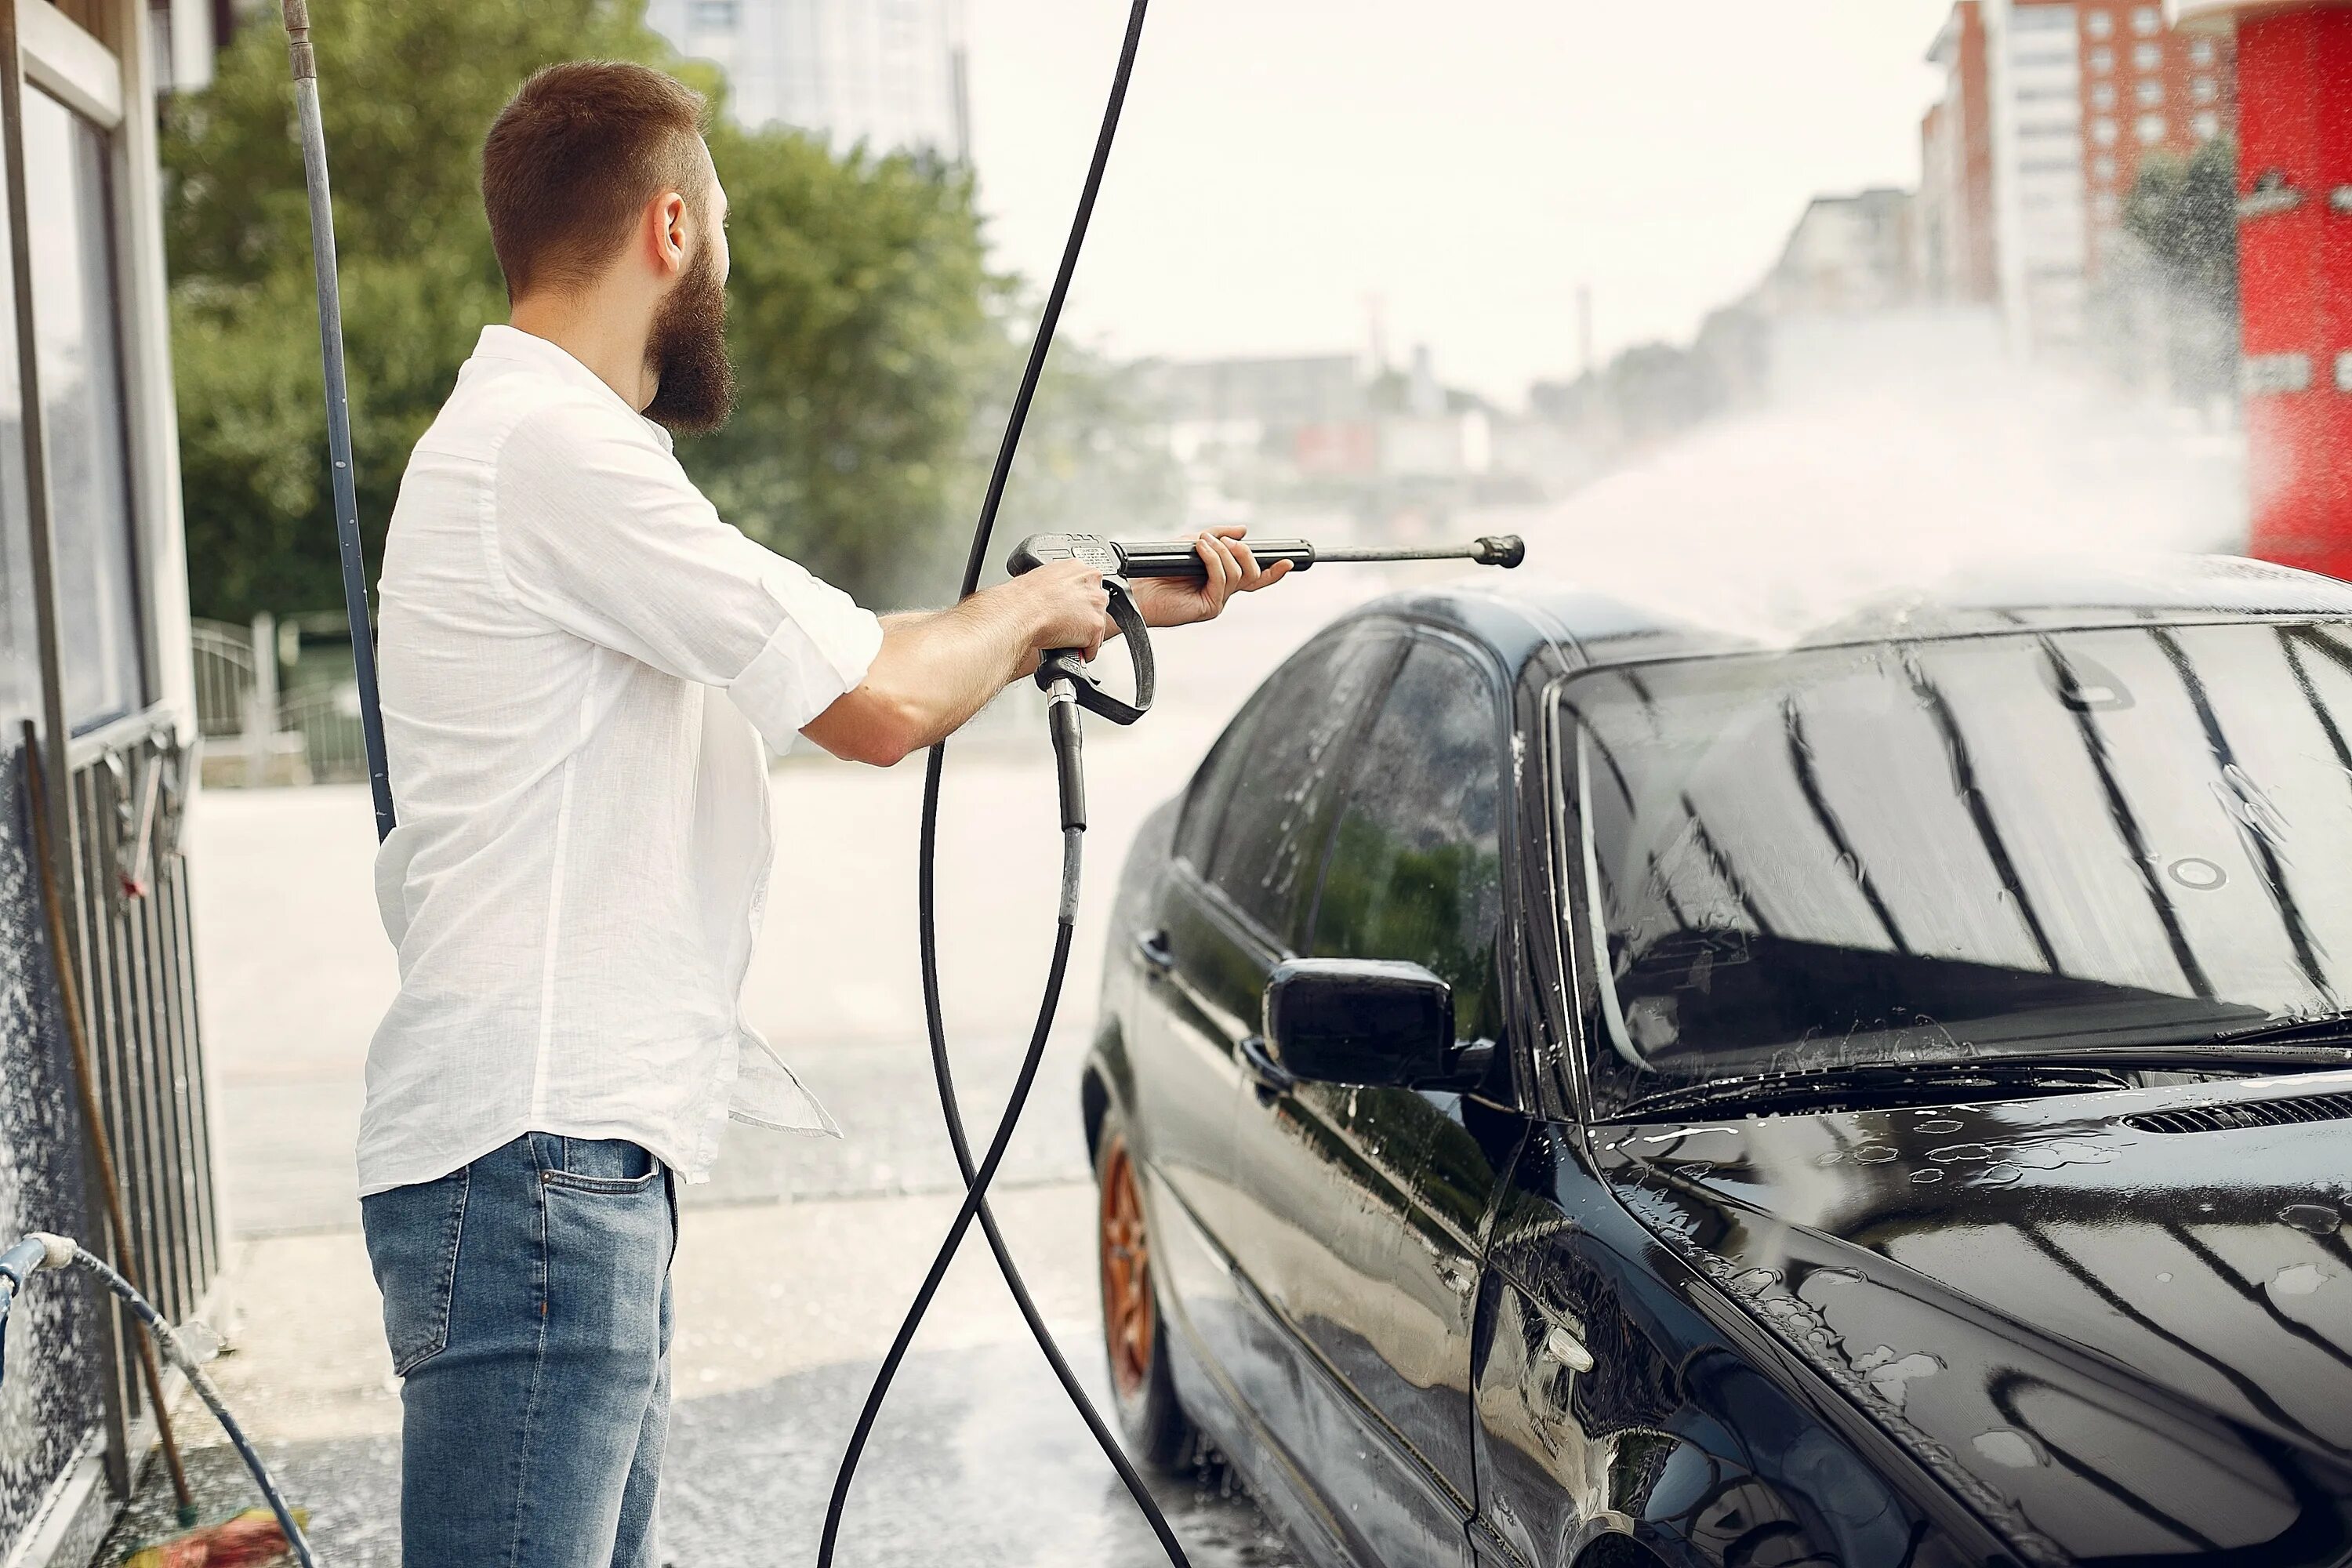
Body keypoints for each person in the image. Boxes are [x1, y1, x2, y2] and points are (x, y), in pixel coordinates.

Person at [356, 60, 1287, 1566]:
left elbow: (866, 648)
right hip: (535, 1163)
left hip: (559, 1163)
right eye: (723, 224)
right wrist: (1042, 604)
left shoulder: (542, 449)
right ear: (669, 226)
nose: (732, 260)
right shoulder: (560, 452)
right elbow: (876, 705)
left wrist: (1098, 599)